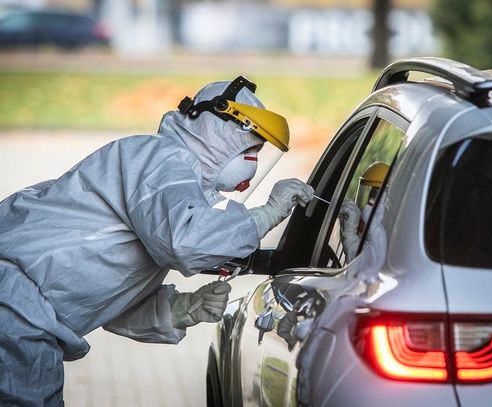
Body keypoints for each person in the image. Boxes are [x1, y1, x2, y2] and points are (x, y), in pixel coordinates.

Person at [0, 76, 313, 405]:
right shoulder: (159, 161)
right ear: (219, 132)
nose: (252, 162)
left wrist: (182, 309)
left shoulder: (176, 186)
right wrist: (269, 213)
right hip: (16, 307)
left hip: (24, 313)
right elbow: (186, 242)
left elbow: (106, 296)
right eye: (250, 148)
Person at [338, 162, 389, 263]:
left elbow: (366, 266)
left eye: (376, 198)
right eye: (369, 196)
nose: (365, 207)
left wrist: (350, 235)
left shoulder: (392, 244)